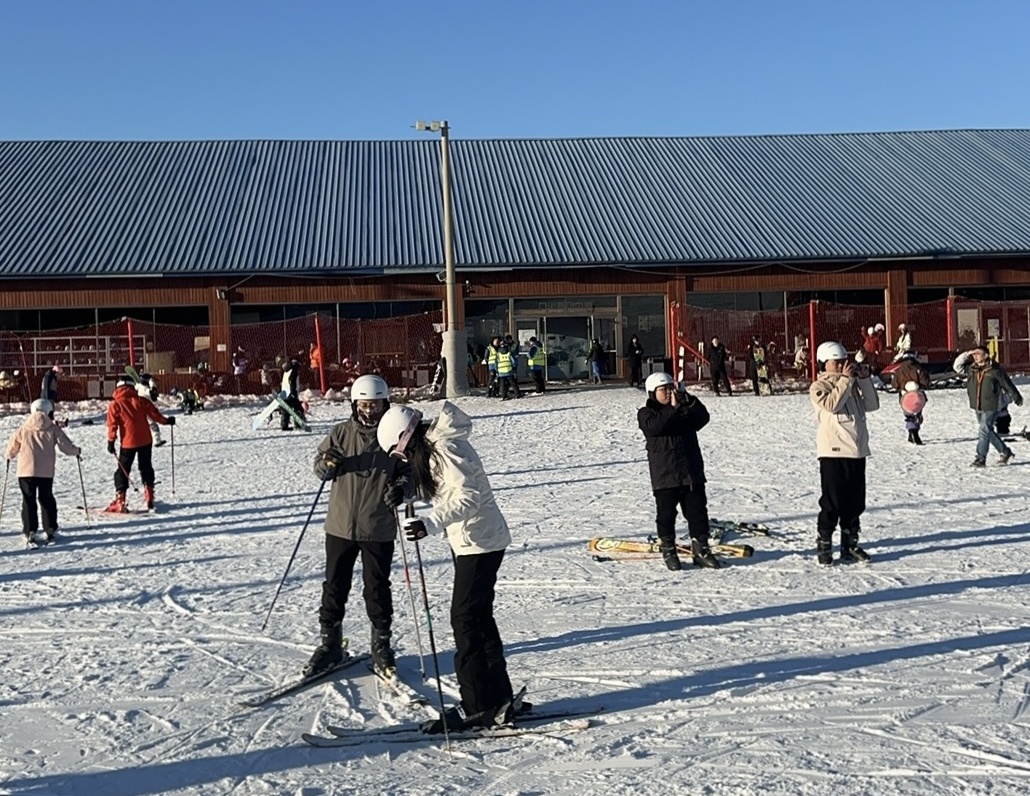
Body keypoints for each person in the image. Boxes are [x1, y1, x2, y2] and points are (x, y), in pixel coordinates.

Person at [377, 402, 518, 733]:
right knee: (478, 618)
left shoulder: (445, 448)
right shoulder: (438, 446)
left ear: (407, 437)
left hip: (479, 541)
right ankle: (497, 697)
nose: (407, 458)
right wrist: (406, 490)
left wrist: (430, 523)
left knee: (465, 619)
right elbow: (445, 487)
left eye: (403, 452)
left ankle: (475, 705)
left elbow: (468, 497)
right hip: (475, 540)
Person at [306, 374, 409, 680]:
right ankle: (330, 643)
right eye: (363, 405)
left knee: (376, 588)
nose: (369, 412)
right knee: (334, 585)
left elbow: (409, 473)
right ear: (354, 405)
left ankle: (381, 644)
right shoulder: (340, 433)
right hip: (340, 524)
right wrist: (327, 464)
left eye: (375, 405)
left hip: (377, 526)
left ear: (385, 404)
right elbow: (319, 466)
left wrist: (402, 489)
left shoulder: (396, 435)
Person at [638, 372, 720, 571]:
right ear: (652, 392)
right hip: (665, 475)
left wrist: (688, 399)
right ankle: (668, 550)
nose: (668, 393)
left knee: (698, 512)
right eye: (663, 390)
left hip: (690, 471)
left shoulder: (683, 410)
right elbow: (656, 427)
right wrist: (673, 409)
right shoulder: (646, 413)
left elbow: (702, 418)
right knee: (666, 515)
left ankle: (701, 549)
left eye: (670, 388)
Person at [810, 341, 880, 565]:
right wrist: (846, 380)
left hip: (857, 451)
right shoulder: (820, 386)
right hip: (833, 452)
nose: (841, 366)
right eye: (836, 362)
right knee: (832, 502)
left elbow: (872, 404)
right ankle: (824, 545)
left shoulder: (850, 385)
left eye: (843, 361)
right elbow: (831, 405)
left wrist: (865, 378)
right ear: (824, 363)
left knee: (855, 503)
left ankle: (850, 544)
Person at [5, 399, 81, 546]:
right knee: (46, 498)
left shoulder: (24, 428)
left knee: (28, 500)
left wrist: (9, 455)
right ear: (48, 411)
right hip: (45, 472)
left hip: (25, 472)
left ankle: (29, 531)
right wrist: (76, 451)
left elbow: (12, 446)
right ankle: (50, 528)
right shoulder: (52, 428)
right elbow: (66, 446)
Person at [105, 374, 174, 512]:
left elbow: (112, 425)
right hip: (145, 440)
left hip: (127, 443)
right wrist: (167, 421)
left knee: (123, 471)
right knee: (146, 467)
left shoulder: (115, 405)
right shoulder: (141, 401)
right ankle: (149, 495)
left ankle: (120, 500)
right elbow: (155, 415)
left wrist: (111, 441)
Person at [953, 345, 1023, 467]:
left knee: (984, 430)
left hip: (993, 404)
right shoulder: (971, 369)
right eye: (974, 355)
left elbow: (1007, 384)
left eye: (978, 354)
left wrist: (1016, 397)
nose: (975, 356)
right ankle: (1005, 452)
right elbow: (957, 366)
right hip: (977, 404)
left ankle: (980, 458)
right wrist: (967, 353)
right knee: (988, 431)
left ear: (985, 356)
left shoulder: (995, 370)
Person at [889, 351, 930, 444]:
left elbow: (894, 384)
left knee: (909, 415)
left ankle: (911, 433)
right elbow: (925, 381)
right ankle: (914, 433)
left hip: (905, 396)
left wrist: (901, 387)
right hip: (918, 396)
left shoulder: (899, 370)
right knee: (916, 414)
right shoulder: (918, 368)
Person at [136, 372, 165, 447]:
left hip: (141, 409)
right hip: (146, 409)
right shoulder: (145, 389)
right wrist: (152, 384)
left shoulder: (139, 386)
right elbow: (153, 394)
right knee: (153, 425)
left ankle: (140, 441)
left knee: (144, 426)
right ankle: (157, 441)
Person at [279, 357, 306, 431]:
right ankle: (298, 424)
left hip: (284, 392)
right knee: (298, 409)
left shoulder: (286, 371)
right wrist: (293, 392)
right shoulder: (294, 371)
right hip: (291, 393)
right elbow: (292, 381)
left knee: (286, 410)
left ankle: (284, 425)